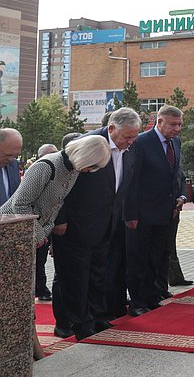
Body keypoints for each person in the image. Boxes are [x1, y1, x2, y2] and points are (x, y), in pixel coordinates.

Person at [1, 134, 111, 359]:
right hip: (13, 233)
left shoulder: (72, 170)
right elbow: (20, 203)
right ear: (84, 156)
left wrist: (43, 233)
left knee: (26, 290)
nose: (90, 171)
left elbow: (54, 206)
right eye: (91, 166)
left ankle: (28, 346)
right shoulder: (47, 166)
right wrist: (38, 234)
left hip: (36, 234)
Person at [52, 107, 140, 340]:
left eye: (134, 137)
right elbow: (61, 182)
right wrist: (59, 219)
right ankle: (67, 322)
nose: (131, 142)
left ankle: (96, 316)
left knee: (98, 274)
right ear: (111, 128)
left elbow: (123, 187)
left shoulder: (130, 149)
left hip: (106, 224)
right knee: (72, 276)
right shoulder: (87, 143)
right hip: (75, 224)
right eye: (127, 137)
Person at [124, 106, 186, 317]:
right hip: (142, 214)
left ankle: (152, 297)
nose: (177, 129)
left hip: (166, 213)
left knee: (157, 258)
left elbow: (175, 174)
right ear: (159, 122)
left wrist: (180, 197)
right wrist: (131, 214)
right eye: (173, 124)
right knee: (139, 259)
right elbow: (131, 181)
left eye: (179, 124)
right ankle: (137, 301)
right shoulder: (141, 142)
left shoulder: (175, 142)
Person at [33, 143, 59, 302]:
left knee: (41, 261)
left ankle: (40, 288)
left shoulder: (60, 175)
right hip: (32, 225)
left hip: (48, 226)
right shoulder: (35, 174)